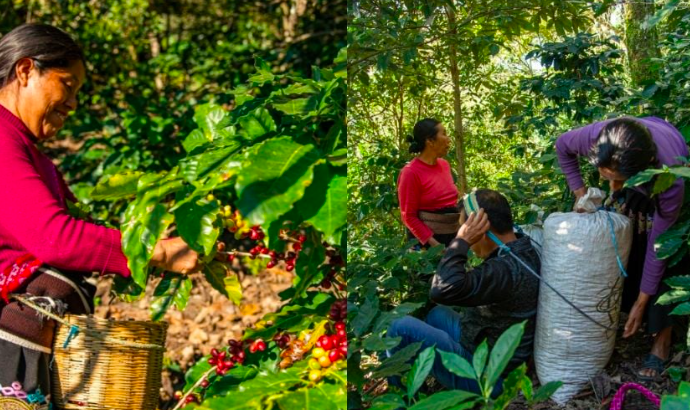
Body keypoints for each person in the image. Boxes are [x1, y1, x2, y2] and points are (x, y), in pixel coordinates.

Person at [0, 24, 201, 406]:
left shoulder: (31, 155)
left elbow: (82, 234)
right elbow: (54, 237)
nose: (73, 103)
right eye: (67, 84)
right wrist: (154, 252)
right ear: (25, 71)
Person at [555, 116, 690, 381]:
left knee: (668, 256)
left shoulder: (670, 180)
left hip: (668, 170)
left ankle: (661, 339)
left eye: (618, 181)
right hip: (634, 163)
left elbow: (658, 248)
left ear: (641, 172)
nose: (611, 188)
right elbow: (562, 146)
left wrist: (642, 302)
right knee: (631, 240)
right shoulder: (597, 137)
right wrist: (580, 194)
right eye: (606, 178)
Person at [387, 189, 540, 394]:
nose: (462, 232)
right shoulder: (520, 247)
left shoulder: (504, 270)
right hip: (484, 345)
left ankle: (401, 401)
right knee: (437, 314)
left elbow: (441, 290)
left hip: (491, 376)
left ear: (482, 228)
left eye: (464, 227)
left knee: (399, 328)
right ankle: (421, 386)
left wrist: (462, 242)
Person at [397, 118, 459, 247]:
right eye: (444, 134)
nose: (448, 139)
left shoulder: (444, 165)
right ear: (430, 141)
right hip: (427, 243)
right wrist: (436, 247)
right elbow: (408, 217)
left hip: (452, 236)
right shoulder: (410, 172)